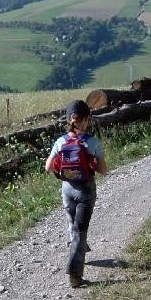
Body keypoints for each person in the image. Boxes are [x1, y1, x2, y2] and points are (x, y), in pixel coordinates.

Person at [45, 100, 108, 288]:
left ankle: (80, 248)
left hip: (67, 189)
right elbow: (103, 170)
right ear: (88, 119)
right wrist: (91, 163)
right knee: (80, 231)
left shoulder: (61, 141)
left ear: (68, 120)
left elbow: (48, 167)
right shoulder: (92, 142)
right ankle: (74, 275)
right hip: (86, 191)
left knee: (73, 225)